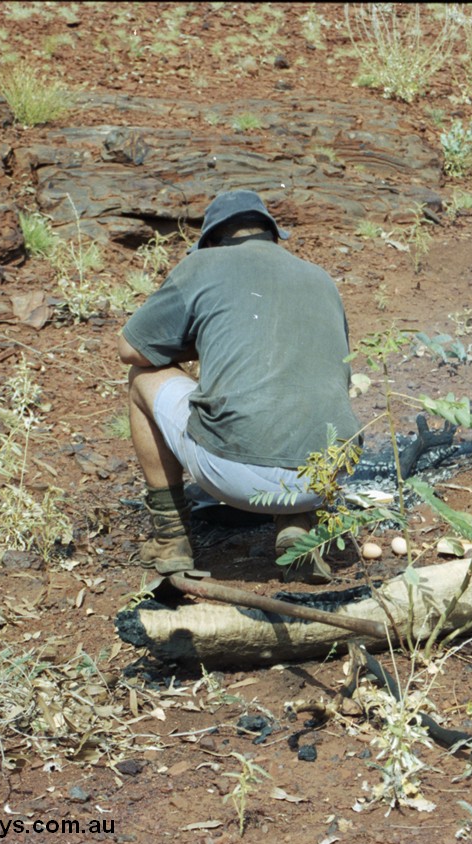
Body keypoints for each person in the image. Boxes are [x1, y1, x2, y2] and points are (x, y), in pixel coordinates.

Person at [117, 190, 362, 584]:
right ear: (271, 234)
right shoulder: (320, 278)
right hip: (327, 477)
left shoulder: (202, 265)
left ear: (212, 240)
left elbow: (131, 349)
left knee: (140, 379)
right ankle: (299, 525)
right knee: (301, 392)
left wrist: (200, 340)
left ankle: (171, 540)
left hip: (235, 475)